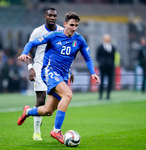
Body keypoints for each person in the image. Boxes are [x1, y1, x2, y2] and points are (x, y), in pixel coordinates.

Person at [17, 12, 100, 144]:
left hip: (62, 76)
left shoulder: (79, 39)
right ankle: (56, 130)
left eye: (76, 26)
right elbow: (32, 43)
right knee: (68, 94)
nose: (74, 28)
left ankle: (27, 112)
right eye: (71, 25)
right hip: (49, 72)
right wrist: (24, 53)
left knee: (48, 110)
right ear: (65, 24)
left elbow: (87, 58)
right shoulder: (54, 36)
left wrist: (92, 72)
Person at [23, 7, 68, 141]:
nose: (52, 17)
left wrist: (69, 70)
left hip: (56, 70)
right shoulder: (37, 31)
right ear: (45, 16)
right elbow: (28, 50)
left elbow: (66, 53)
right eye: (50, 15)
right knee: (41, 99)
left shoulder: (61, 31)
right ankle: (37, 132)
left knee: (51, 108)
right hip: (39, 68)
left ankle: (35, 113)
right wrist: (30, 67)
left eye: (54, 15)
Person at [96, 34, 116, 100]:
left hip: (110, 66)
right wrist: (100, 63)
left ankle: (108, 95)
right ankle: (100, 95)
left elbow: (114, 56)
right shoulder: (100, 47)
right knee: (101, 80)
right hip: (103, 66)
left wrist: (112, 63)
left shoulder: (112, 47)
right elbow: (98, 56)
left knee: (110, 81)